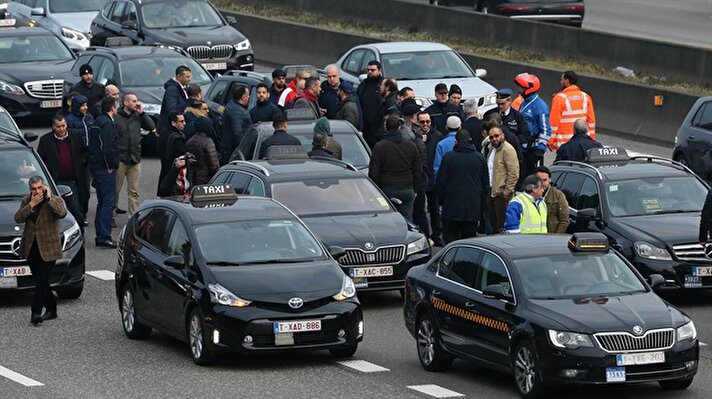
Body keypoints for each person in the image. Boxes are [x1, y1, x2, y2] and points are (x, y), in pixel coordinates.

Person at [14, 176, 67, 325]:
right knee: (41, 281)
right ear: (30, 190)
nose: (37, 191)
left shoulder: (54, 200)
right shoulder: (27, 201)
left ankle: (35, 312)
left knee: (42, 279)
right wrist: (31, 204)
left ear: (44, 187)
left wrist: (49, 199)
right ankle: (52, 307)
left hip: (49, 247)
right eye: (33, 189)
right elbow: (18, 218)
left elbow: (62, 213)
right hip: (31, 247)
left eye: (39, 188)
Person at [435, 129, 489, 243]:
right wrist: (482, 206)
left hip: (451, 207)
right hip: (472, 208)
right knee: (469, 241)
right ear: (470, 140)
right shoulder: (479, 158)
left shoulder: (449, 158)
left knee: (450, 240)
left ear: (456, 141)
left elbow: (440, 182)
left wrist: (440, 201)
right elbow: (485, 185)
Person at [36, 115, 87, 231]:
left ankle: (80, 234)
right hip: (55, 182)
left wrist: (82, 162)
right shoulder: (45, 140)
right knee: (56, 211)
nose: (61, 129)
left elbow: (84, 153)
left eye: (63, 126)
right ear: (53, 127)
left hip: (73, 181)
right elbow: (41, 160)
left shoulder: (76, 136)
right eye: (58, 126)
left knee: (76, 211)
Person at [368, 115, 422, 222]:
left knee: (388, 221)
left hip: (386, 190)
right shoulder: (410, 145)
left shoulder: (379, 147)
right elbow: (418, 169)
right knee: (407, 222)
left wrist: (376, 191)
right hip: (407, 189)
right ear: (399, 128)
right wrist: (415, 188)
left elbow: (373, 173)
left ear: (386, 128)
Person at [115, 92, 154, 216]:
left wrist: (142, 113)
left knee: (134, 192)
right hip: (120, 159)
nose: (136, 103)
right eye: (133, 101)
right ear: (125, 103)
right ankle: (111, 214)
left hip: (134, 159)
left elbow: (151, 127)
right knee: (115, 190)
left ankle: (133, 217)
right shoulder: (116, 116)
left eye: (137, 100)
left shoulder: (138, 116)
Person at [89, 97, 120, 248]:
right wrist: (110, 165)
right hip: (104, 168)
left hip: (96, 166)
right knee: (108, 202)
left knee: (102, 202)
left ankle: (101, 233)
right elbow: (107, 147)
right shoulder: (107, 123)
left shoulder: (98, 121)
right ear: (112, 108)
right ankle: (104, 235)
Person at [483, 126, 520, 233]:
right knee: (493, 224)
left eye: (496, 136)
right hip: (491, 191)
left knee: (502, 226)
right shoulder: (490, 149)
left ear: (502, 135)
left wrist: (506, 192)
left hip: (502, 194)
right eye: (491, 137)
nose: (494, 139)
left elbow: (513, 173)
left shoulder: (508, 150)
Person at [514, 73, 550, 178]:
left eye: (521, 87)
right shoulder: (524, 103)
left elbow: (545, 129)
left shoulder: (540, 106)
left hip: (532, 151)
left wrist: (540, 148)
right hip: (523, 149)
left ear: (529, 88)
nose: (519, 90)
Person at [549, 71, 596, 151]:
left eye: (562, 80)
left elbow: (554, 122)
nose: (561, 82)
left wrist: (550, 141)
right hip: (583, 142)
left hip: (564, 143)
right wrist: (591, 140)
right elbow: (591, 121)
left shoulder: (559, 98)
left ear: (567, 81)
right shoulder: (586, 97)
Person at [419, 111, 444, 246]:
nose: (425, 124)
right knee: (421, 210)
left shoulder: (437, 136)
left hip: (433, 178)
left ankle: (436, 234)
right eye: (422, 122)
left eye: (427, 122)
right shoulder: (415, 136)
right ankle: (424, 236)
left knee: (434, 209)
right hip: (421, 178)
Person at [484, 88, 531, 155]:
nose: (500, 106)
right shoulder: (489, 114)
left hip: (511, 151)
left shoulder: (517, 116)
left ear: (510, 101)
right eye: (498, 104)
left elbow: (525, 135)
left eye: (503, 104)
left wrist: (512, 141)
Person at [220, 85, 252, 164]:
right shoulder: (237, 112)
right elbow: (238, 133)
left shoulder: (231, 105)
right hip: (233, 151)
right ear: (243, 97)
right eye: (248, 95)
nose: (249, 97)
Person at [357, 60, 384, 148]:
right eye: (368, 70)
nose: (369, 72)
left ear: (379, 71)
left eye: (372, 70)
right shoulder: (363, 85)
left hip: (378, 128)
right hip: (365, 128)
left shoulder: (383, 86)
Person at [158, 111, 186, 195]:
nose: (184, 123)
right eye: (181, 121)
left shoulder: (163, 134)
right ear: (173, 123)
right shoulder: (177, 138)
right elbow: (181, 155)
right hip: (175, 175)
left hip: (164, 171)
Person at [157, 65, 191, 134]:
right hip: (169, 129)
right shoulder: (172, 89)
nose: (190, 79)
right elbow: (171, 109)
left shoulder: (182, 87)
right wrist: (187, 102)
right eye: (187, 77)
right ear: (179, 76)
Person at [185, 117, 219, 185]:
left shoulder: (189, 142)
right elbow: (214, 165)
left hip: (192, 177)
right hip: (206, 179)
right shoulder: (208, 142)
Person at [536, 166, 570, 234]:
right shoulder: (529, 195)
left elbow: (564, 220)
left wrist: (555, 237)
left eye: (545, 180)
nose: (542, 183)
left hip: (551, 237)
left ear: (550, 180)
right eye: (539, 180)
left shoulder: (558, 196)